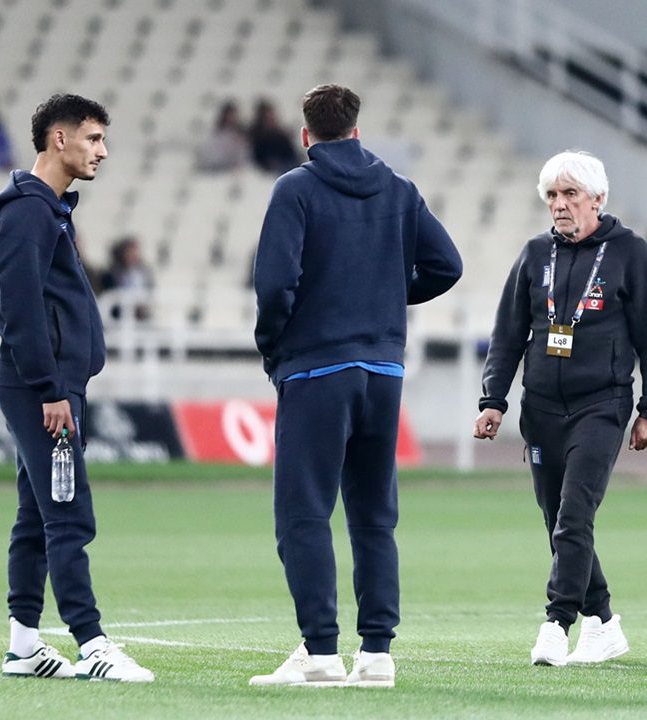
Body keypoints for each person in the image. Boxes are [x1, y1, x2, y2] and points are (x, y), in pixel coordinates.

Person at [250, 84, 462, 688]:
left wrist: (274, 346)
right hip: (384, 372)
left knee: (303, 514)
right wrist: (387, 297)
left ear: (306, 135)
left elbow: (274, 284)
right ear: (357, 130)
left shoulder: (295, 188)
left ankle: (320, 652)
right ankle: (376, 655)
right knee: (373, 517)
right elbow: (447, 265)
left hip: (317, 369)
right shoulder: (398, 188)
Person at [473, 150, 647, 667]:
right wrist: (493, 400)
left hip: (602, 404)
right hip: (540, 409)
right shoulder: (534, 253)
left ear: (598, 198)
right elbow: (507, 335)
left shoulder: (630, 252)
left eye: (570, 194)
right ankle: (602, 621)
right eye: (552, 196)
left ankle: (556, 623)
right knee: (557, 521)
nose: (559, 205)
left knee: (574, 514)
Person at [0, 94, 153, 682]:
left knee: (37, 516)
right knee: (69, 513)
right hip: (43, 390)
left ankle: (24, 648)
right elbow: (19, 310)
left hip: (50, 385)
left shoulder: (47, 211)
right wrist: (50, 387)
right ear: (60, 139)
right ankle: (92, 642)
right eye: (93, 138)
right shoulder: (28, 214)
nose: (102, 151)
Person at [99, 236, 154, 321]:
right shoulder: (111, 274)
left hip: (140, 317)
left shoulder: (143, 272)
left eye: (135, 252)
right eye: (130, 252)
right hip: (118, 318)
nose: (133, 255)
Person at [249, 98, 302, 176]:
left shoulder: (280, 135)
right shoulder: (258, 137)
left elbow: (291, 153)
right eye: (268, 117)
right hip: (269, 169)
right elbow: (258, 157)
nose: (272, 119)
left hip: (287, 165)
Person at [196, 100, 248, 172]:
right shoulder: (218, 132)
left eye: (233, 115)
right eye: (229, 115)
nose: (231, 117)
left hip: (235, 168)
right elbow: (211, 150)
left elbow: (243, 154)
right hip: (217, 165)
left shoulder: (240, 133)